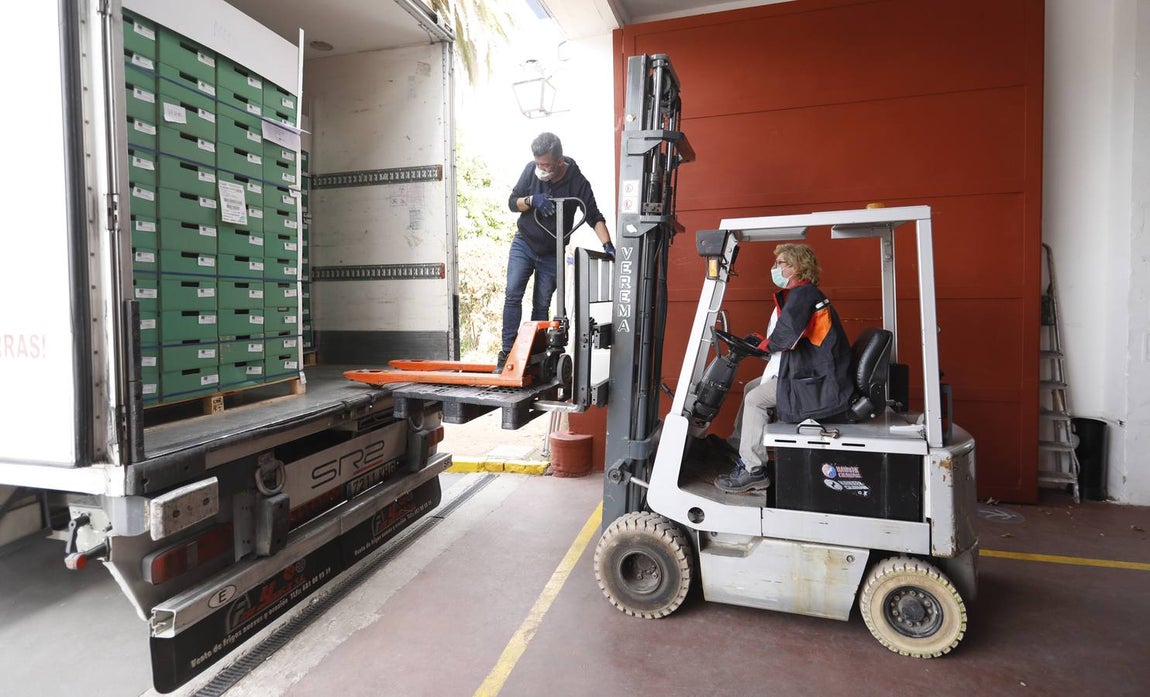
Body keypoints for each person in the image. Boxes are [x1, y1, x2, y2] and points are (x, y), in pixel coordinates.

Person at [715, 243, 854, 493]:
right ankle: (739, 447)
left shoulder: (803, 295)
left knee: (756, 399)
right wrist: (761, 342)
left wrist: (765, 344)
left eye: (781, 263)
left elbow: (785, 337)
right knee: (751, 388)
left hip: (818, 381)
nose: (775, 268)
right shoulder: (802, 295)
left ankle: (753, 470)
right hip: (810, 373)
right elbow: (787, 336)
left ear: (798, 267)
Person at [497, 132, 615, 370]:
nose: (541, 168)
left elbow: (593, 216)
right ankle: (507, 354)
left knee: (541, 304)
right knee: (512, 294)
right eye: (539, 163)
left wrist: (608, 245)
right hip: (525, 243)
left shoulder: (577, 182)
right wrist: (531, 200)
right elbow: (512, 202)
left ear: (560, 161)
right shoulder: (531, 170)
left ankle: (534, 356)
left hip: (552, 253)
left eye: (546, 164)